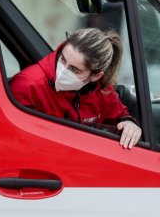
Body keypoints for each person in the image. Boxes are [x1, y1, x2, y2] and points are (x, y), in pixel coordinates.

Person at [10, 28, 141, 149]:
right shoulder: (28, 85)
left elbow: (119, 114)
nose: (62, 71)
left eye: (74, 69)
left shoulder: (102, 91)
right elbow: (15, 139)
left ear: (95, 76)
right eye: (62, 59)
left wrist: (128, 123)